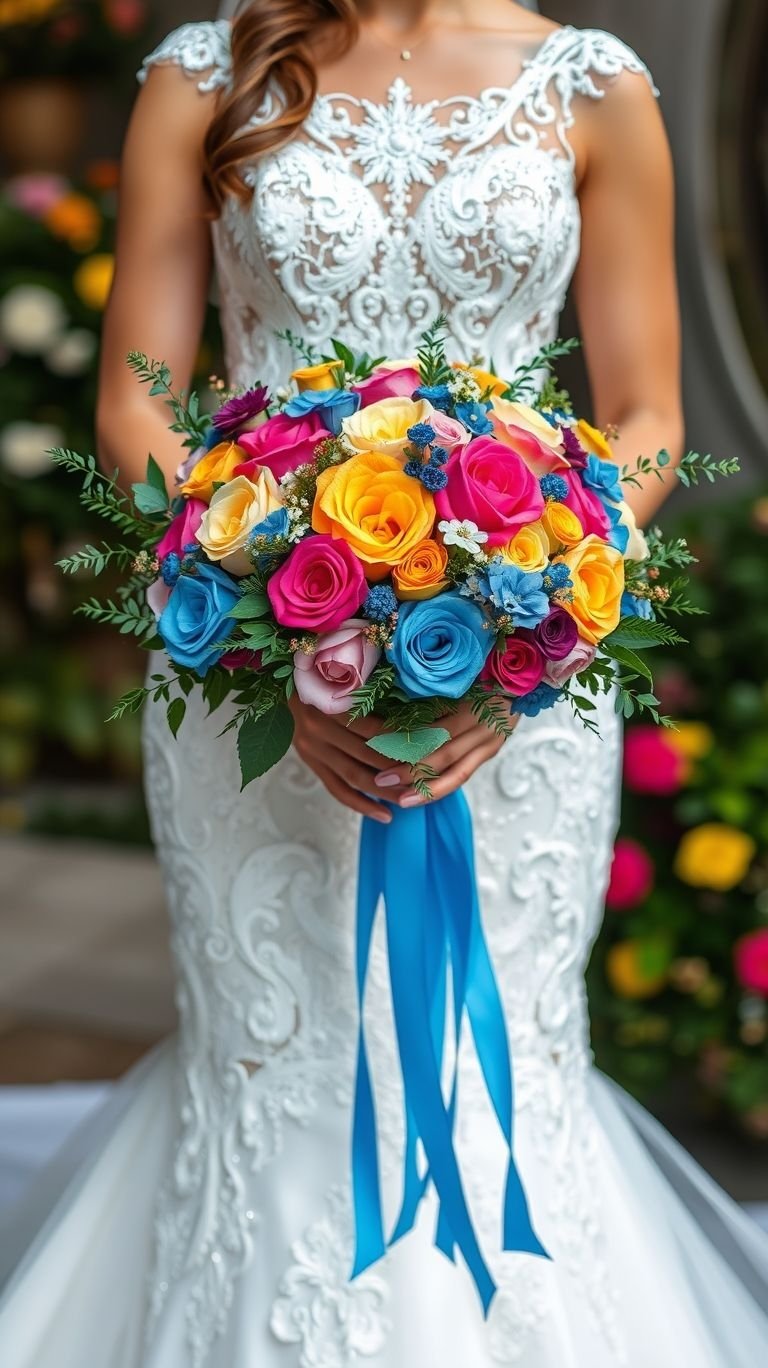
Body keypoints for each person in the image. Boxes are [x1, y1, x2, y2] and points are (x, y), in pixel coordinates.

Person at [1, 3, 767, 1365]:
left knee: (489, 1069)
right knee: (279, 1060)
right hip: (247, 666)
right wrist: (268, 634)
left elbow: (648, 417)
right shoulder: (204, 75)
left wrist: (536, 621)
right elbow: (139, 398)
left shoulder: (595, 88)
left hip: (522, 686)